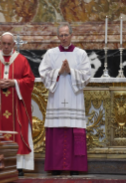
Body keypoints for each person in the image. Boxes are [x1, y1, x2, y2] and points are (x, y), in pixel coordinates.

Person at [39, 23, 91, 175]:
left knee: (74, 131)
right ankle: (55, 167)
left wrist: (71, 72)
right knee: (57, 132)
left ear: (71, 35)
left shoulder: (81, 54)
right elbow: (43, 73)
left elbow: (87, 75)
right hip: (57, 99)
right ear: (58, 36)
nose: (63, 38)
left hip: (74, 98)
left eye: (66, 34)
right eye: (61, 35)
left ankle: (75, 167)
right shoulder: (51, 54)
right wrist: (58, 71)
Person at [0, 32, 35, 176]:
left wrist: (15, 83)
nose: (6, 46)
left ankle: (18, 166)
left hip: (16, 107)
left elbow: (29, 80)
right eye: (3, 43)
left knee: (17, 132)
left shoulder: (22, 60)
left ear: (13, 45)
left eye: (9, 44)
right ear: (0, 44)